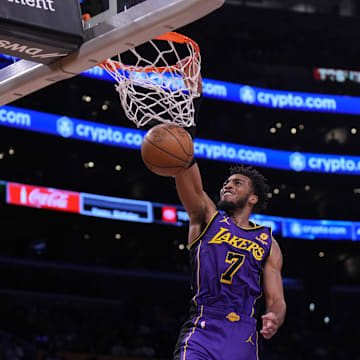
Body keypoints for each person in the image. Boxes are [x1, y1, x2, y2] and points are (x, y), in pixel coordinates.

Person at [172, 161, 286, 360]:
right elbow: (190, 182)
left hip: (243, 335)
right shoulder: (207, 218)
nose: (228, 185)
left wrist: (275, 316)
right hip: (203, 326)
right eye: (226, 182)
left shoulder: (269, 243)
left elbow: (276, 299)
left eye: (237, 183)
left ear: (253, 198)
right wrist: (186, 149)